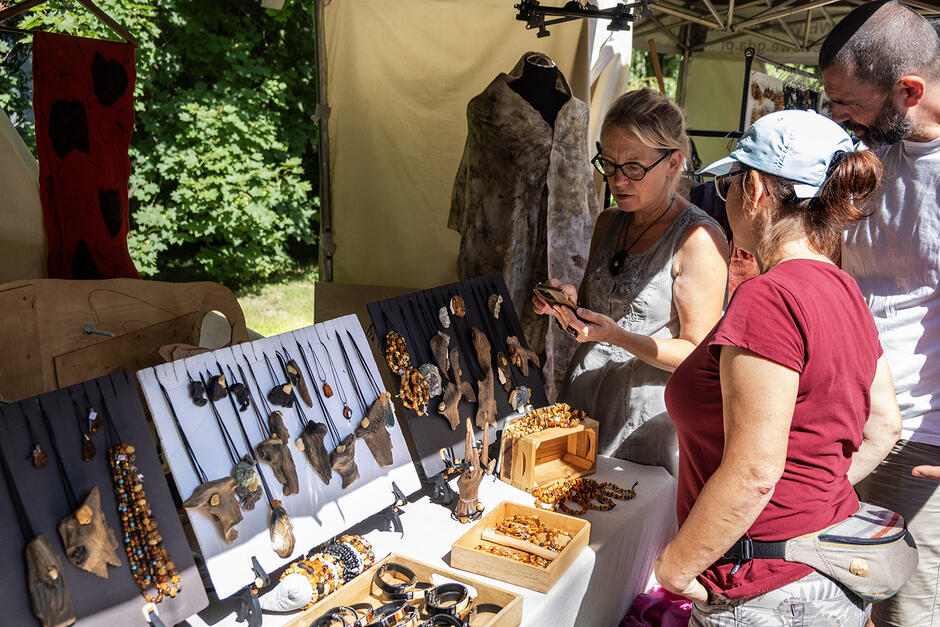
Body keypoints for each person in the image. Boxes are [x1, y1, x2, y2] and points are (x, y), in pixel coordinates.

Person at [653, 109, 902, 625]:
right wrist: (808, 502)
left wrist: (675, 569)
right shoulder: (845, 288)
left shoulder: (769, 297)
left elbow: (753, 473)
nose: (723, 203)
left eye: (728, 186)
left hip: (764, 587)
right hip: (817, 574)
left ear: (758, 189)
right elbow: (883, 426)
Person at [531, 88, 728, 475]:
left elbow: (696, 354)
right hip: (582, 404)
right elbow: (593, 312)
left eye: (634, 168)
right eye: (608, 163)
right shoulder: (608, 221)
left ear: (673, 163)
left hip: (643, 426)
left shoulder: (698, 240)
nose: (618, 180)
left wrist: (618, 337)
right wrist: (568, 304)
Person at [819, 3, 940, 624]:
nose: (839, 121)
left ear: (908, 92)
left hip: (920, 445)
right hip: (840, 427)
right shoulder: (868, 154)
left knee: (907, 616)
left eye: (850, 106)